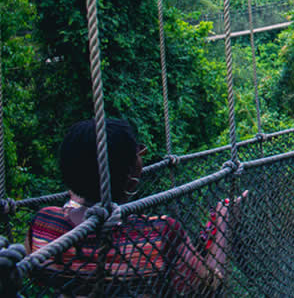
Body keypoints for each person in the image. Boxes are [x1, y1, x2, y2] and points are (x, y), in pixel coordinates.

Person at [27, 119, 246, 296]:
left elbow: (34, 274)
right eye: (137, 153)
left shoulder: (44, 226)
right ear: (131, 176)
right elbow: (206, 289)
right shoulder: (159, 235)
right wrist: (224, 223)